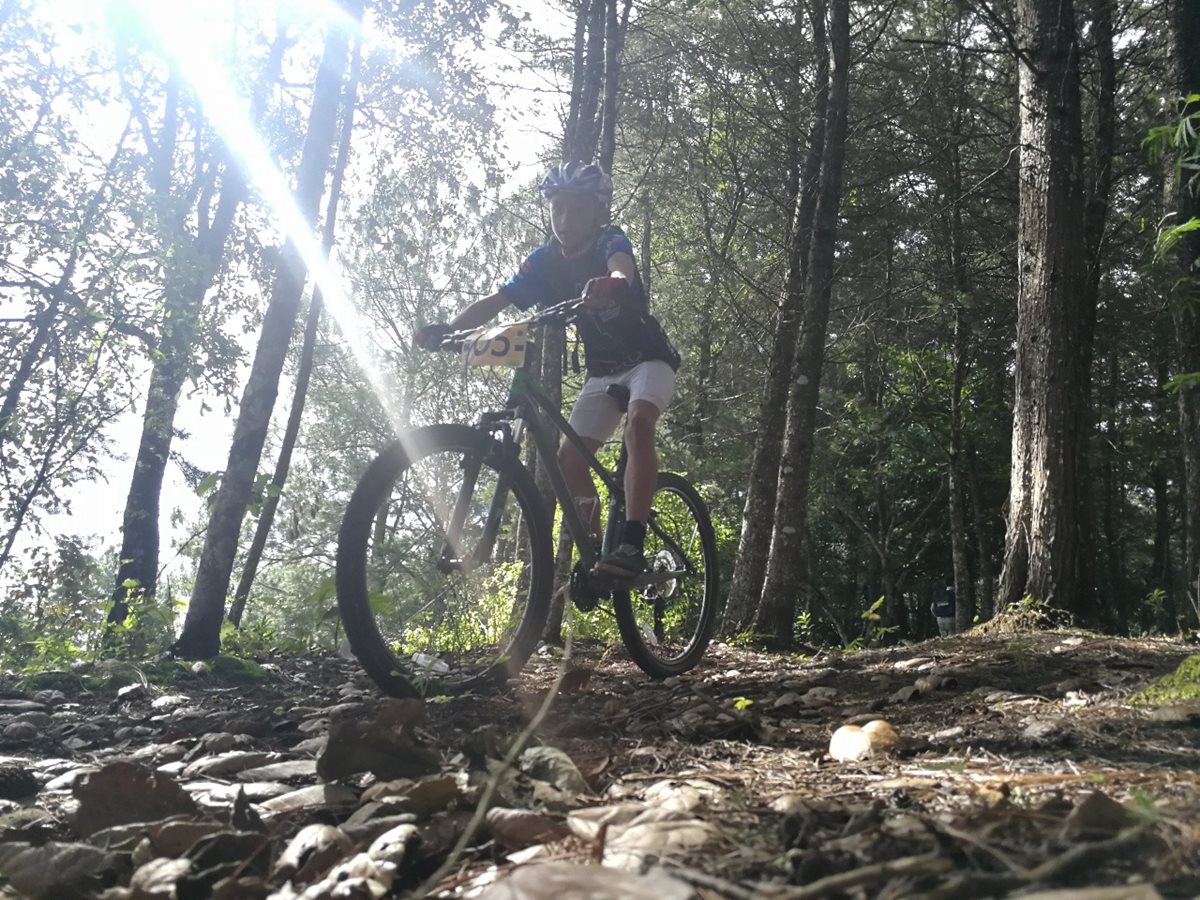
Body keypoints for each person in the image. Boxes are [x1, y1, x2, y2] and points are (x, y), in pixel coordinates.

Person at [414, 161, 681, 580]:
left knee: (639, 424)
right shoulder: (542, 261)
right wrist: (449, 329)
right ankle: (598, 553)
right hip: (604, 371)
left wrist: (612, 282)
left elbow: (620, 266)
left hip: (648, 358)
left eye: (576, 210)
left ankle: (632, 540)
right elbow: (497, 300)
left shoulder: (608, 240)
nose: (565, 220)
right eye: (558, 210)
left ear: (595, 211)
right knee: (570, 459)